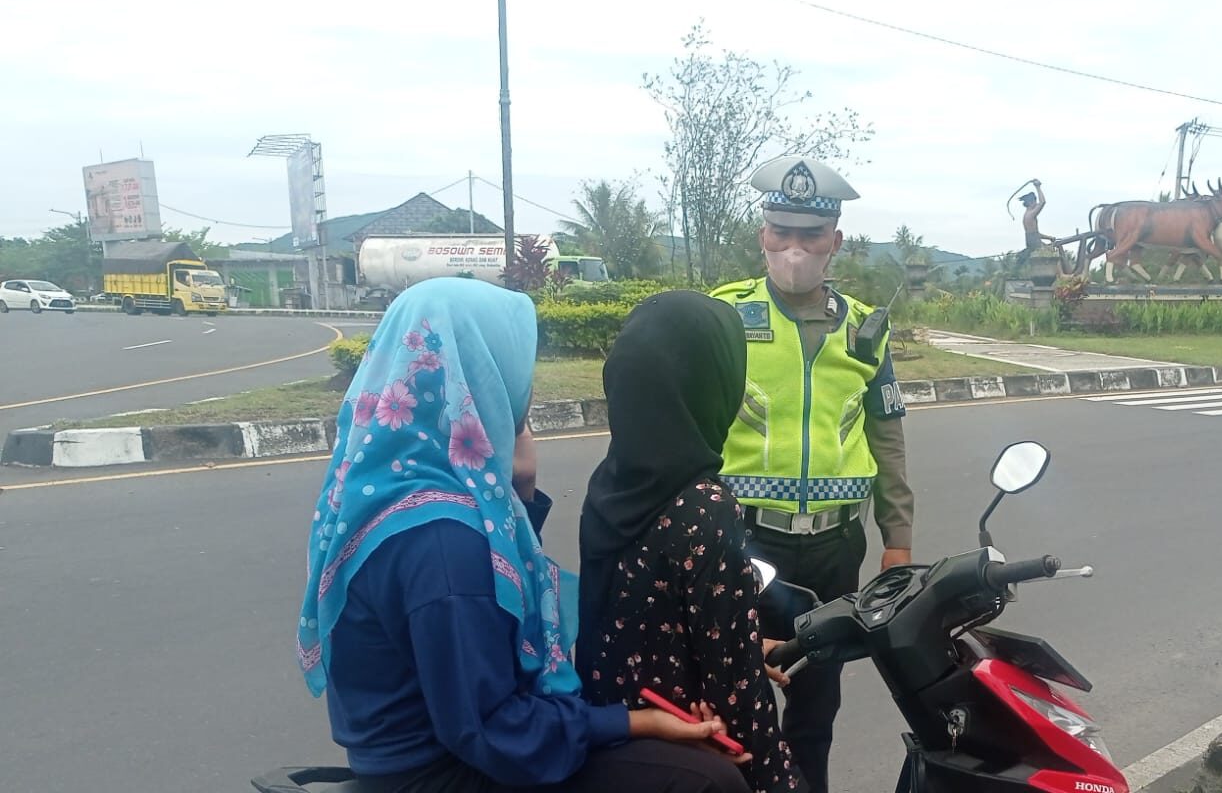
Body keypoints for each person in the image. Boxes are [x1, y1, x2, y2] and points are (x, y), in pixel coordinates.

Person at [297, 277, 750, 793]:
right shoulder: (444, 540)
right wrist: (638, 722)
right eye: (511, 364)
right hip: (445, 771)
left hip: (416, 750)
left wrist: (523, 492)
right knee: (706, 781)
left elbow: (486, 618)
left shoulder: (389, 483)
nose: (524, 384)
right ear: (476, 376)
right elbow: (494, 728)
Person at [709, 155, 916, 793]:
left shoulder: (866, 329)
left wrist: (898, 537)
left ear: (836, 242)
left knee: (815, 706)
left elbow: (887, 435)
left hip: (833, 547)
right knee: (732, 699)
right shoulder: (720, 315)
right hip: (743, 540)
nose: (795, 248)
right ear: (762, 235)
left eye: (810, 236)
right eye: (782, 232)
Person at [577, 291, 806, 793]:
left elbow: (639, 617)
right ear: (714, 383)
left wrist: (747, 640)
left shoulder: (612, 483)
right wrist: (777, 778)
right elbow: (737, 693)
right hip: (692, 746)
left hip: (619, 732)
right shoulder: (703, 507)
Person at [1018, 179, 1057, 252]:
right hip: (1035, 244)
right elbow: (1042, 202)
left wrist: (1050, 238)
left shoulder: (1027, 215)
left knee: (1051, 250)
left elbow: (1035, 234)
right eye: (1035, 202)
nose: (1036, 204)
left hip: (1033, 242)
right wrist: (1038, 187)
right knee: (1052, 253)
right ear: (1030, 202)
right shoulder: (1030, 214)